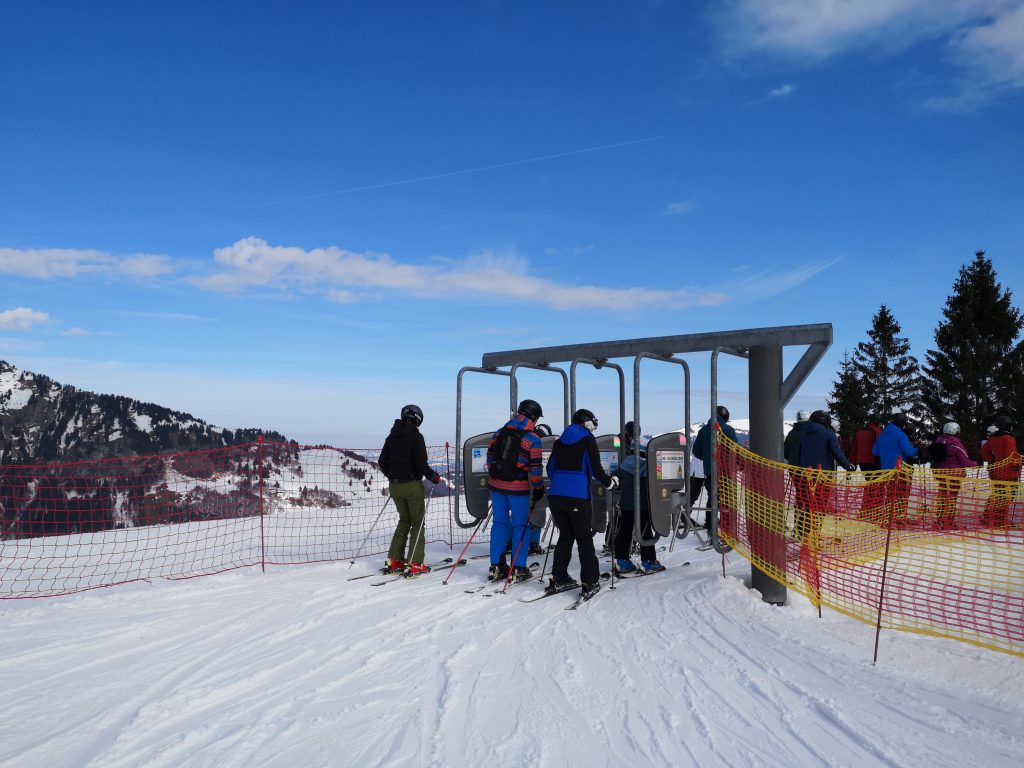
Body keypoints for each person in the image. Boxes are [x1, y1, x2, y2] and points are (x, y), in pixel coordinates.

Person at [545, 408, 616, 599]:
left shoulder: (560, 441)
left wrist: (561, 481)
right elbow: (596, 469)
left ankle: (559, 577)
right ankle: (590, 581)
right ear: (588, 423)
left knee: (566, 537)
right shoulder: (588, 440)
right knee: (584, 539)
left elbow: (550, 469)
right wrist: (610, 482)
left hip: (555, 496)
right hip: (577, 497)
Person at [486, 399, 546, 582]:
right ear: (533, 417)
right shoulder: (532, 438)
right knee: (521, 525)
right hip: (518, 488)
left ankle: (496, 566)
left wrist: (497, 476)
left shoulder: (500, 432)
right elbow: (536, 469)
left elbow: (490, 458)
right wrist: (538, 488)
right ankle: (518, 568)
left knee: (499, 524)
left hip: (496, 486)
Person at [379, 404, 441, 574]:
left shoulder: (391, 437)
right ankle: (415, 563)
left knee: (404, 520)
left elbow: (381, 463)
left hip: (395, 486)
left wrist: (392, 476)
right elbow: (421, 465)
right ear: (417, 419)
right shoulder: (416, 437)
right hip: (412, 485)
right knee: (417, 523)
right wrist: (433, 476)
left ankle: (394, 560)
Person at [795, 411, 854, 541]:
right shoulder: (828, 434)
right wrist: (848, 466)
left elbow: (800, 454)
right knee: (820, 507)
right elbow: (837, 452)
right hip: (823, 476)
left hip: (806, 474)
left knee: (807, 504)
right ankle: (814, 536)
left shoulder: (805, 434)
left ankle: (802, 533)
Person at [612, 435, 665, 574]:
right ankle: (648, 561)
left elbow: (615, 479)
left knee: (624, 531)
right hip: (643, 506)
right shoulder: (646, 465)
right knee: (645, 532)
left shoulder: (624, 464)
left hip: (626, 505)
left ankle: (622, 561)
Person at [692, 405, 739, 539]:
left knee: (712, 497)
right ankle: (726, 530)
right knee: (726, 500)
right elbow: (735, 450)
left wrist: (707, 459)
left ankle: (710, 527)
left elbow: (696, 452)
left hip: (709, 472)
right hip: (726, 471)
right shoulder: (728, 430)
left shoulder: (703, 431)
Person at [872, 413, 919, 525]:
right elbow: (910, 452)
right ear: (901, 423)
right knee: (900, 494)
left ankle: (890, 518)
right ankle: (897, 518)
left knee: (890, 494)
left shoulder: (883, 434)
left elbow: (875, 451)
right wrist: (918, 449)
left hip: (886, 471)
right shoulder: (900, 434)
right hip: (900, 469)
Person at [930, 422, 977, 530]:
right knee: (951, 497)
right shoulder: (956, 444)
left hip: (941, 474)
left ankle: (940, 520)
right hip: (954, 476)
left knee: (942, 496)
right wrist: (975, 464)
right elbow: (965, 461)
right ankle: (948, 521)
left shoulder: (939, 441)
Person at [980, 415, 1021, 528]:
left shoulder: (993, 438)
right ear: (1007, 426)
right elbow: (1011, 454)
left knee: (998, 496)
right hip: (1009, 473)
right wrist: (1017, 464)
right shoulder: (1009, 439)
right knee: (1006, 498)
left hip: (997, 472)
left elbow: (984, 451)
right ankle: (1001, 521)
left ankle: (989, 517)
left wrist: (992, 460)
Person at [528, 423, 553, 555]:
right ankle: (533, 543)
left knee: (526, 514)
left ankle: (516, 542)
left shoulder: (529, 441)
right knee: (538, 511)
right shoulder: (542, 445)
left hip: (526, 484)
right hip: (539, 483)